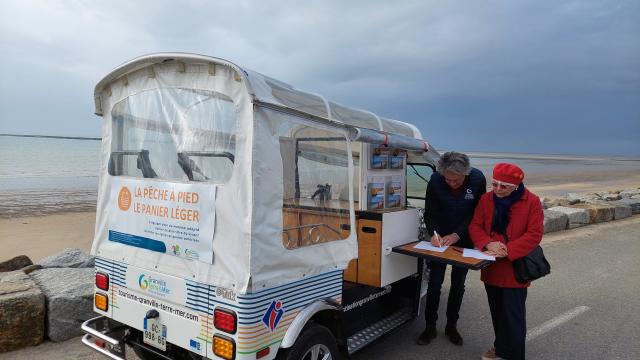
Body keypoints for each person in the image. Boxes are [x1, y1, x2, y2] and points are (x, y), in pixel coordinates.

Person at [468, 163, 543, 360]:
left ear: (516, 186)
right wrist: (487, 243)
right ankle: (499, 348)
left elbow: (534, 235)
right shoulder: (486, 199)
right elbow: (475, 225)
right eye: (495, 184)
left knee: (513, 318)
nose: (498, 190)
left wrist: (507, 250)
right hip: (491, 266)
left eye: (504, 186)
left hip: (514, 268)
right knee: (498, 313)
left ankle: (514, 355)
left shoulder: (532, 201)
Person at [418, 152, 486, 346]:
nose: (452, 184)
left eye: (456, 181)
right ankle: (429, 327)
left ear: (466, 174)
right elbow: (430, 212)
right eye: (447, 180)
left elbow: (477, 213)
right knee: (434, 284)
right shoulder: (435, 180)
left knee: (458, 284)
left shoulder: (478, 179)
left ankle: (451, 326)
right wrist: (433, 235)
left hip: (464, 238)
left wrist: (458, 235)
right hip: (440, 239)